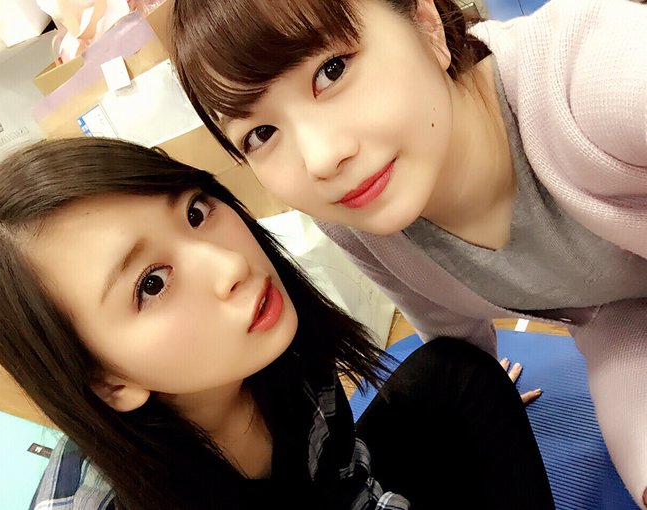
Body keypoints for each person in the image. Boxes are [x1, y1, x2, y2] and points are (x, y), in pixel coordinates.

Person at [169, 0, 647, 506]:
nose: (321, 159)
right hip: (620, 326)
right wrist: (484, 389)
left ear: (426, 23)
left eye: (332, 70)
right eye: (261, 134)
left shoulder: (600, 77)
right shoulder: (357, 218)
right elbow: (448, 328)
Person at [0, 138, 553, 509]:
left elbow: (349, 485)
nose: (231, 267)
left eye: (195, 212)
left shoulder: (282, 357)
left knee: (458, 375)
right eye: (152, 284)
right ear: (109, 382)